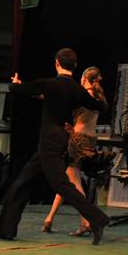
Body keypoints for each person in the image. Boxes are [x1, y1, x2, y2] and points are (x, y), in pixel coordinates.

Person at [0, 48, 110, 245]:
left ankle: (97, 218)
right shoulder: (76, 89)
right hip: (59, 138)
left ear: (57, 63)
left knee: (61, 185)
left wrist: (15, 83)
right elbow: (99, 106)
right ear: (74, 66)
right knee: (22, 182)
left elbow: (16, 90)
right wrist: (96, 92)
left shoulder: (49, 83)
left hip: (49, 138)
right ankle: (6, 230)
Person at [41, 66, 106, 236]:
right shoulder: (98, 95)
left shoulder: (84, 95)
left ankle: (87, 221)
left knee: (74, 182)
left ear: (84, 78)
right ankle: (48, 219)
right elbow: (86, 119)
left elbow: (62, 102)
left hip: (78, 139)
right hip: (90, 139)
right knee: (67, 182)